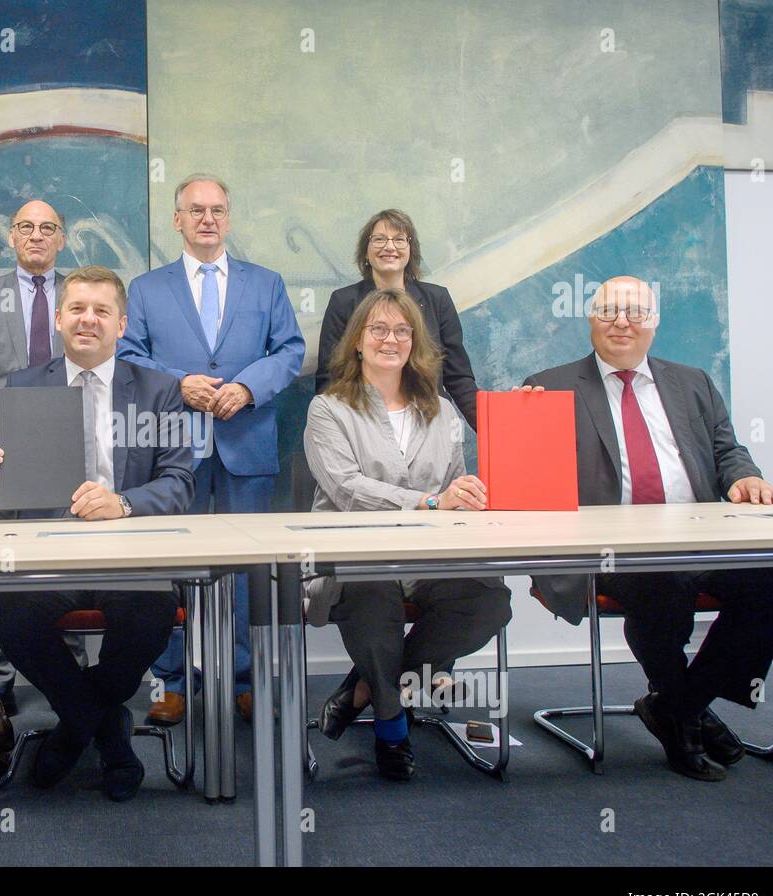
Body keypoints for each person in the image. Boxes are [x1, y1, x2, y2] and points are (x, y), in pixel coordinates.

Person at [525, 276, 773, 781]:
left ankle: (678, 706)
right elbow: (527, 475)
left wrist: (745, 477)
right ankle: (687, 716)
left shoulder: (693, 381)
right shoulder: (551, 386)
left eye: (636, 311)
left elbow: (727, 451)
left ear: (654, 322)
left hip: (700, 540)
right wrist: (525, 424)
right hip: (608, 552)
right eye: (609, 310)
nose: (622, 321)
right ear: (590, 318)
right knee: (663, 586)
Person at [0, 266, 195, 801]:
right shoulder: (18, 387)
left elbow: (180, 483)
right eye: (76, 309)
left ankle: (72, 730)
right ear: (58, 320)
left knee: (152, 612)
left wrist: (122, 503)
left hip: (131, 555)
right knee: (7, 612)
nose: (87, 320)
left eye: (100, 311)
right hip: (50, 556)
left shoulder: (159, 390)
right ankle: (103, 728)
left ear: (121, 324)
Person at [302, 288, 511, 780]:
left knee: (489, 602)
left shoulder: (440, 409)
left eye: (401, 330)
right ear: (357, 341)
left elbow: (454, 482)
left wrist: (462, 492)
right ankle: (391, 725)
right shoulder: (328, 409)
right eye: (378, 329)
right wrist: (429, 501)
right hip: (358, 560)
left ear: (414, 341)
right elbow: (347, 488)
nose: (390, 339)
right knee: (374, 604)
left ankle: (366, 688)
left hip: (428, 559)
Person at [118, 174, 303, 726]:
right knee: (173, 566)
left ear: (229, 217)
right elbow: (128, 352)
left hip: (246, 444)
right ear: (177, 219)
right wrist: (180, 382)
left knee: (246, 568)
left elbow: (290, 350)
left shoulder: (266, 284)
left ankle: (243, 678)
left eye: (217, 210)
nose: (207, 218)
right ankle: (172, 681)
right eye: (195, 210)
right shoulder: (147, 289)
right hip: (173, 451)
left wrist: (246, 388)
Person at [0, 198, 87, 713]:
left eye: (48, 228)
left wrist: (51, 424)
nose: (36, 235)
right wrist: (20, 418)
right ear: (11, 237)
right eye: (26, 227)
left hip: (71, 445)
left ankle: (67, 678)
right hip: (1, 450)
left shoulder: (80, 295)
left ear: (62, 238)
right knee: (2, 568)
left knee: (68, 561)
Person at [314, 209, 479, 429]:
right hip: (364, 423)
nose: (389, 247)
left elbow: (458, 378)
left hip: (429, 420)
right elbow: (329, 378)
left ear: (411, 250)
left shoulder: (437, 299)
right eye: (379, 239)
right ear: (366, 251)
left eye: (400, 239)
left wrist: (495, 433)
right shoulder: (343, 302)